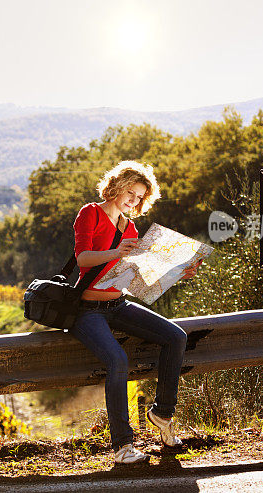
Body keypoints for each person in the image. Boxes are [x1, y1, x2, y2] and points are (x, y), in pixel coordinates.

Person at [71, 160, 201, 465]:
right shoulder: (90, 213)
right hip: (87, 310)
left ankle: (162, 413)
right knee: (118, 359)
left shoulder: (130, 227)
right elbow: (83, 259)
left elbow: (136, 277)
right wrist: (116, 252)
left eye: (140, 196)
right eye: (130, 192)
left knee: (175, 336)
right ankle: (123, 447)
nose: (133, 200)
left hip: (117, 304)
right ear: (116, 186)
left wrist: (176, 272)